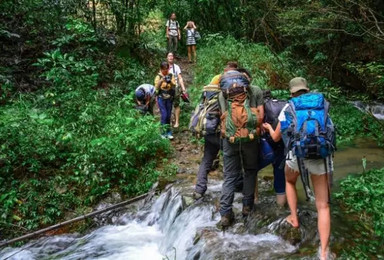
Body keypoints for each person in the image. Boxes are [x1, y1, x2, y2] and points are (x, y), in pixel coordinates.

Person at [278, 77, 335, 260]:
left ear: (291, 92)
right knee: (323, 205)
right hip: (320, 156)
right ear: (307, 90)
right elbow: (330, 130)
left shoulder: (289, 107)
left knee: (289, 180)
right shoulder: (321, 105)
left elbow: (281, 135)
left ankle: (294, 218)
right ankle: (324, 253)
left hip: (298, 155)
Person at [218, 62, 264, 227]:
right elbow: (260, 116)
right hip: (250, 138)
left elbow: (223, 116)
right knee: (250, 171)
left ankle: (225, 214)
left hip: (229, 139)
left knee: (230, 176)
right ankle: (247, 207)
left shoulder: (222, 95)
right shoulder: (254, 91)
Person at [193, 75, 222, 200]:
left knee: (206, 160)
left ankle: (199, 189)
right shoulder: (224, 92)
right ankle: (236, 188)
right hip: (221, 133)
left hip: (208, 131)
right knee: (230, 161)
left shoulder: (207, 93)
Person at [256, 90, 287, 206]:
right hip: (282, 146)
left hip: (267, 147)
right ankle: (280, 209)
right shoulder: (283, 105)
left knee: (252, 170)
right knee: (280, 178)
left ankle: (254, 202)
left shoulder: (260, 108)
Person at [154, 61, 176, 139]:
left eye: (167, 69)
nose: (166, 71)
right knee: (164, 114)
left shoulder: (170, 75)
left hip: (169, 97)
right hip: (161, 98)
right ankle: (162, 133)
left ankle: (168, 132)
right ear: (161, 69)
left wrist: (170, 81)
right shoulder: (158, 76)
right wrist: (161, 80)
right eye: (164, 70)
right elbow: (156, 87)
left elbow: (174, 85)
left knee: (169, 115)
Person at [167, 52, 186, 128]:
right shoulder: (164, 66)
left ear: (173, 58)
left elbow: (180, 78)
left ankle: (177, 122)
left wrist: (183, 88)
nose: (171, 57)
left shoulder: (176, 67)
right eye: (169, 56)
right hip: (166, 89)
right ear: (167, 58)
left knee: (176, 105)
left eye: (172, 56)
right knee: (168, 105)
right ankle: (169, 121)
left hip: (175, 88)